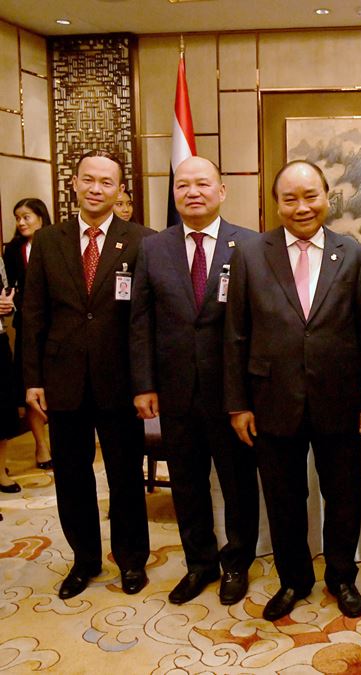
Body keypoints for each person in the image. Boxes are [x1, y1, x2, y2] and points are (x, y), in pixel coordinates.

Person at [224, 160, 361, 621]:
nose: (301, 206)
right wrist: (237, 404)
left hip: (338, 399)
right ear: (276, 203)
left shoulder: (351, 253)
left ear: (327, 197)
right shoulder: (250, 253)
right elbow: (235, 334)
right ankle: (294, 580)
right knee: (285, 497)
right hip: (272, 399)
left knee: (343, 494)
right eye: (289, 198)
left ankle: (341, 576)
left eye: (310, 196)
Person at [130, 156, 260, 606]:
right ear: (174, 195)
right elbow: (140, 322)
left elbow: (257, 324)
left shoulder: (250, 244)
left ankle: (237, 562)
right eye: (183, 186)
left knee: (238, 481)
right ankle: (199, 563)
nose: (193, 192)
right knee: (186, 482)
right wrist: (144, 384)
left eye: (203, 184)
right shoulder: (152, 248)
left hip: (232, 392)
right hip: (175, 388)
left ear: (222, 191)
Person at [23, 149, 152, 599]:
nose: (97, 189)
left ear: (120, 190)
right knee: (72, 476)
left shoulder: (142, 240)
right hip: (63, 380)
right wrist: (33, 379)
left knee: (124, 477)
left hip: (120, 381)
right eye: (89, 180)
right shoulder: (47, 241)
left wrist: (146, 381)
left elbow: (145, 320)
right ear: (74, 184)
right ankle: (85, 561)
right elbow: (33, 314)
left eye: (107, 182)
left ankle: (132, 561)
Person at [4, 198, 53, 470]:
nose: (21, 223)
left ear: (41, 217)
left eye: (26, 217)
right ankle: (40, 446)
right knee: (30, 385)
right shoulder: (13, 251)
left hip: (57, 327)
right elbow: (10, 287)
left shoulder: (58, 243)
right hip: (27, 327)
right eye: (18, 218)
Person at [0, 260, 20, 493]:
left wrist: (8, 305)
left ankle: (1, 471)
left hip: (0, 338)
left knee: (2, 412)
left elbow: (7, 293)